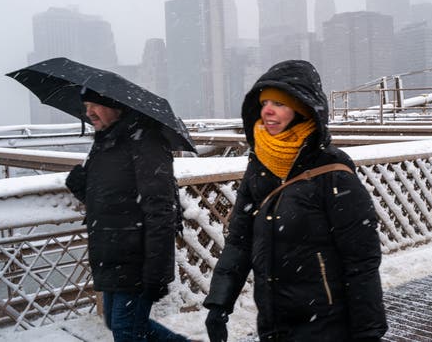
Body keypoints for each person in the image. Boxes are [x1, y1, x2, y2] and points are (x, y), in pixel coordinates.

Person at [204, 60, 388, 341]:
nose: (267, 110)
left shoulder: (332, 170)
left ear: (302, 110)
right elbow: (240, 240)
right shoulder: (259, 166)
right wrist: (219, 302)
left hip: (326, 324)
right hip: (273, 322)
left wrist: (368, 333)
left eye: (279, 103)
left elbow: (361, 260)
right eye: (264, 102)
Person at [65, 87, 189, 342]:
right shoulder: (105, 143)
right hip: (111, 253)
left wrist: (155, 270)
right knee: (118, 322)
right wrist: (81, 185)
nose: (88, 112)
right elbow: (107, 200)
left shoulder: (146, 143)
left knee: (126, 327)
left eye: (94, 106)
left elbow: (161, 209)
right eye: (85, 106)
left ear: (115, 107)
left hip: (137, 256)